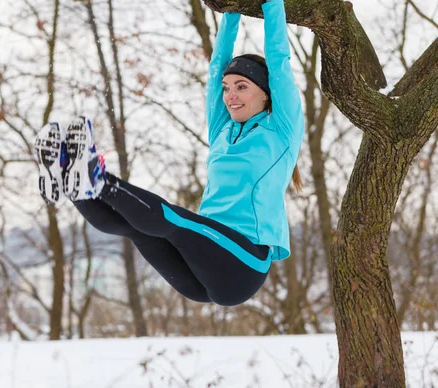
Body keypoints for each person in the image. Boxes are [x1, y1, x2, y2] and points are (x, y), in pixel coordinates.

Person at [34, 0, 304, 307]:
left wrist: (272, 4)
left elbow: (279, 60)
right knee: (136, 229)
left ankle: (96, 178)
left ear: (267, 91)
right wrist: (230, 13)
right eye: (227, 88)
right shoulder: (222, 131)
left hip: (244, 263)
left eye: (241, 86)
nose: (230, 96)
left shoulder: (281, 129)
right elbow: (216, 67)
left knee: (172, 218)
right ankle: (72, 182)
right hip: (202, 269)